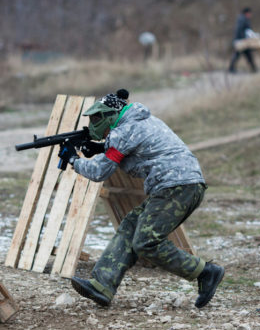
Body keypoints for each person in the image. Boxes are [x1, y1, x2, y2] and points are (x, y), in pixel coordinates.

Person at [60, 89, 225, 308]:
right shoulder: (140, 121)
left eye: (97, 118)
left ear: (111, 115)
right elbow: (135, 154)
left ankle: (205, 272)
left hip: (176, 186)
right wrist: (100, 147)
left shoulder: (124, 131)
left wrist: (74, 159)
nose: (93, 124)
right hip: (180, 184)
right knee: (130, 226)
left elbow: (99, 172)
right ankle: (102, 285)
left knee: (146, 242)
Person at [228, 7, 258, 73]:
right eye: (250, 13)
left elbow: (247, 31)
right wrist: (244, 38)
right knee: (240, 54)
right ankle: (231, 69)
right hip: (241, 41)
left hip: (243, 40)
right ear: (247, 13)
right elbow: (240, 30)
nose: (250, 15)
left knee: (246, 54)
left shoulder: (245, 19)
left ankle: (254, 69)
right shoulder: (242, 19)